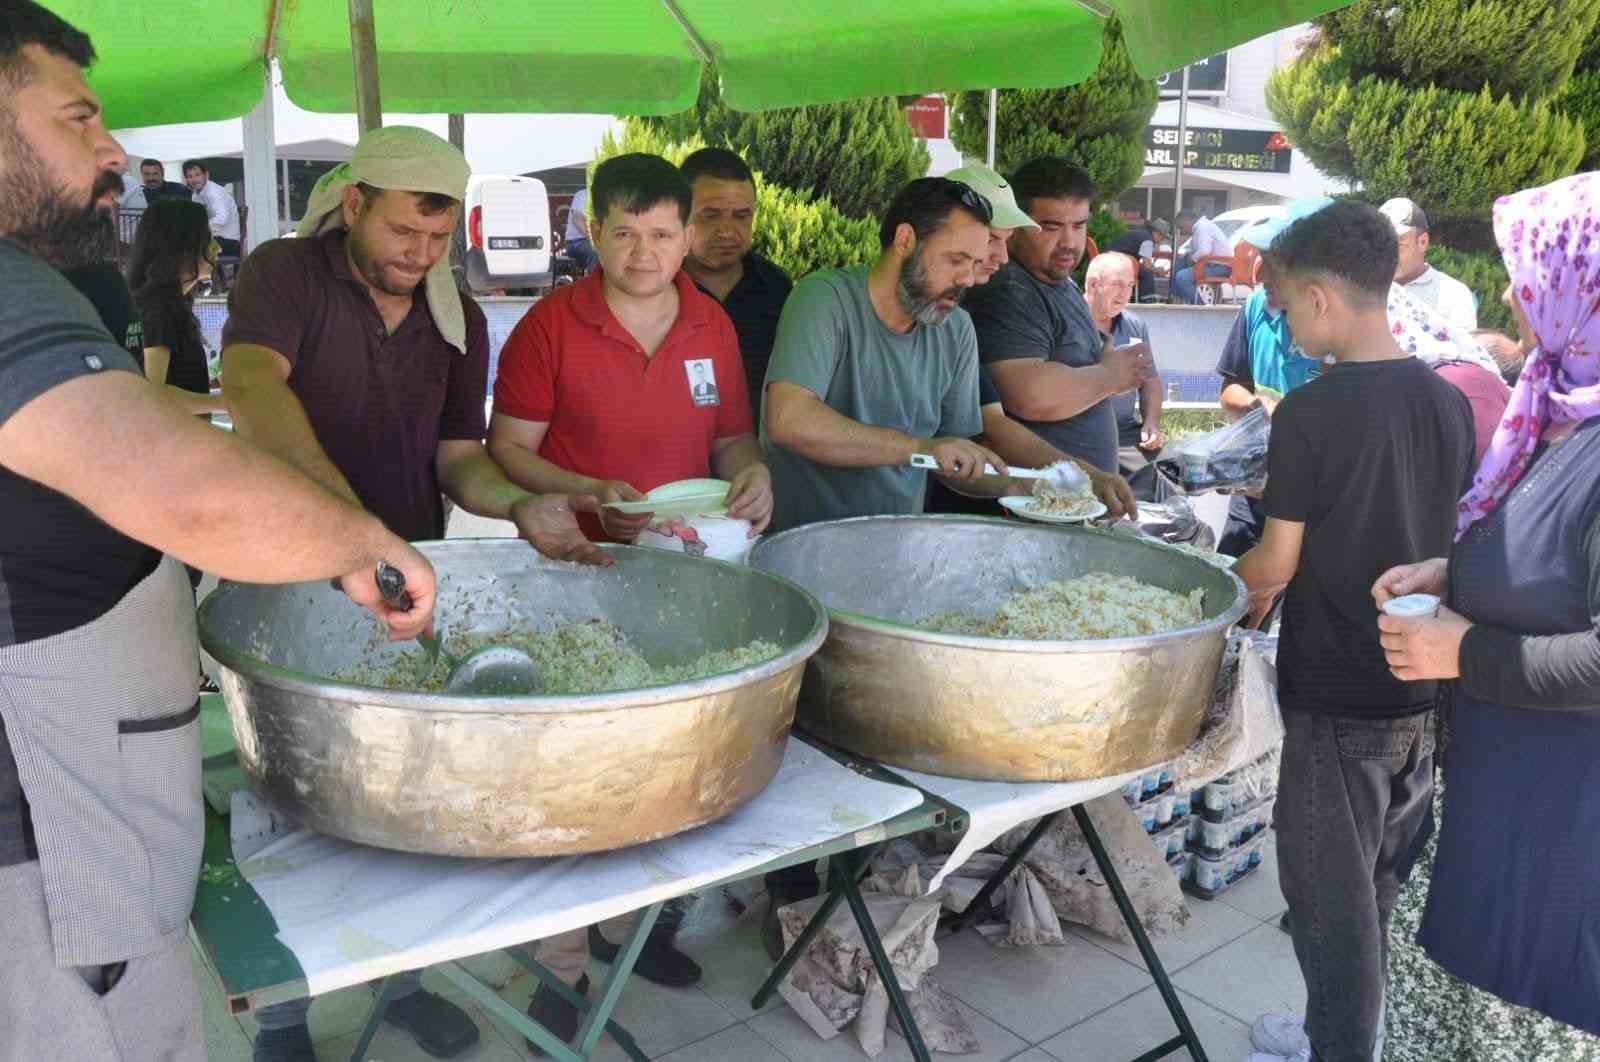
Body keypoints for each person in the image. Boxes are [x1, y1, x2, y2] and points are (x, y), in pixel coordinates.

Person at [0, 8, 438, 1060]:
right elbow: (179, 489)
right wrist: (358, 545)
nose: (114, 152)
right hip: (46, 843)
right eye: (78, 118)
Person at [222, 125, 606, 1062]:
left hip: (404, 585)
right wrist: (346, 525)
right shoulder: (284, 275)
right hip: (279, 568)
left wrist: (524, 506)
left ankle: (404, 981)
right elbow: (252, 389)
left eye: (439, 239)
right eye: (404, 231)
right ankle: (283, 1014)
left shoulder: (457, 315)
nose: (420, 255)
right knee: (288, 792)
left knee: (398, 793)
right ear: (354, 204)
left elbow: (460, 460)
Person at [487, 152, 771, 1049]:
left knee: (666, 759)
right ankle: (559, 970)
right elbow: (508, 450)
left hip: (684, 576)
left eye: (660, 234)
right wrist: (584, 488)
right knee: (576, 773)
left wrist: (753, 470)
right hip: (579, 571)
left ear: (687, 234)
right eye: (624, 233)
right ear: (593, 231)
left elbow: (729, 439)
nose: (644, 253)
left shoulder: (712, 325)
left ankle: (630, 928)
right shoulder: (548, 325)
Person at [1230, 201, 1476, 1062]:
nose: (1286, 324)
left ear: (1323, 298)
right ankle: (1340, 1036)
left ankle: (1338, 1047)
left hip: (1335, 694)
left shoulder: (1311, 412)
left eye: (1287, 306)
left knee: (1327, 908)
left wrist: (1212, 592)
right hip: (1421, 691)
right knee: (1374, 888)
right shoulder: (1449, 400)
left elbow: (1273, 564)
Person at [1375, 172, 1600, 1060]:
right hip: (1498, 805)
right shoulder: (1560, 406)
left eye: (1529, 270)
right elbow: (1551, 562)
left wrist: (1463, 650)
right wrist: (1455, 574)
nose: (1510, 292)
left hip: (1561, 848)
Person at [925, 164, 1135, 518]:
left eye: (1079, 225)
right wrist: (1109, 378)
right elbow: (1015, 408)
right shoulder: (1003, 291)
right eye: (991, 239)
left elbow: (988, 418)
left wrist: (1080, 478)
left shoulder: (955, 323)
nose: (1000, 258)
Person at [963, 157, 1152, 476]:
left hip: (1073, 502)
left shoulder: (1058, 281)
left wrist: (1105, 365)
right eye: (1050, 227)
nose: (1068, 242)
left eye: (1078, 225)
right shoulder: (1009, 288)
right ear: (1016, 227)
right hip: (1034, 508)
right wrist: (1109, 376)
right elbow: (1029, 396)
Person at [679, 146, 793, 417]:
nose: (727, 231)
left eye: (742, 216)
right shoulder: (655, 288)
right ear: (679, 214)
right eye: (710, 215)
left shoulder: (776, 288)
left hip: (759, 451)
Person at [125, 199, 228, 419]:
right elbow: (153, 395)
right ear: (182, 246)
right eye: (208, 239)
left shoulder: (170, 303)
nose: (217, 248)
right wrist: (227, 402)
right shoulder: (159, 308)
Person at [1084, 252, 1164, 481]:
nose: (1125, 293)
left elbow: (1150, 381)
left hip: (1124, 433)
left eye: (1130, 285)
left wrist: (1151, 423)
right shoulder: (1070, 321)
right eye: (1117, 284)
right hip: (1078, 431)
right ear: (1092, 285)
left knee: (1165, 470)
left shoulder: (1134, 325)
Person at [1380, 197, 1477, 330]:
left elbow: (1465, 349)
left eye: (1397, 245)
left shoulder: (1454, 296)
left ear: (1423, 242)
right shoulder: (1367, 291)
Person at [182, 159, 241, 257]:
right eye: (190, 176)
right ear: (186, 179)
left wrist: (200, 230)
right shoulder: (196, 195)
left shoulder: (215, 193)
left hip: (228, 242)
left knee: (191, 248)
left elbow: (222, 219)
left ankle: (203, 272)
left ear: (206, 175)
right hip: (211, 239)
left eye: (197, 175)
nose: (194, 179)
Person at [1171, 209, 1231, 304]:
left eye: (1181, 227)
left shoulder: (1203, 227)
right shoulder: (1199, 228)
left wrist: (1192, 259)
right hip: (1211, 264)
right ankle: (1176, 299)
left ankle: (1200, 304)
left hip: (1220, 266)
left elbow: (1204, 252)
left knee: (1182, 277)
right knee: (1180, 263)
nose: (1181, 231)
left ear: (1187, 221)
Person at [1107, 214, 1171, 301]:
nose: (1161, 240)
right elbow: (1147, 265)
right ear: (1157, 233)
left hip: (1110, 259)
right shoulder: (1147, 240)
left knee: (1142, 270)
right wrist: (1158, 270)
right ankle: (1146, 301)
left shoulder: (1141, 233)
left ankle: (1135, 298)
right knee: (1147, 273)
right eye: (1163, 237)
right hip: (1116, 262)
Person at [121, 157, 188, 210]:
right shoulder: (138, 194)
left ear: (163, 173)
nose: (151, 178)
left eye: (155, 174)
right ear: (141, 174)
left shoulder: (180, 189)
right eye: (147, 174)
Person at [563, 185, 597, 272]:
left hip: (595, 242)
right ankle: (594, 283)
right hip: (576, 242)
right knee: (596, 251)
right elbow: (577, 219)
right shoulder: (583, 195)